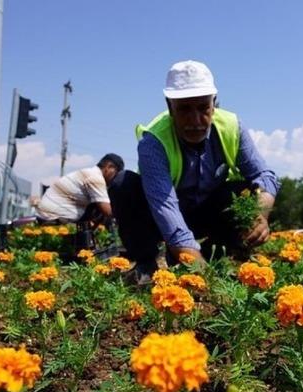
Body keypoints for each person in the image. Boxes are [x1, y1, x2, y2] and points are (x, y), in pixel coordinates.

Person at [111, 60, 279, 275]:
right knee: (122, 183)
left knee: (243, 193)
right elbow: (164, 204)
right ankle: (147, 265)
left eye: (203, 108)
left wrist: (261, 213)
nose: (195, 120)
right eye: (184, 110)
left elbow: (264, 176)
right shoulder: (153, 141)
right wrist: (186, 252)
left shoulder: (232, 127)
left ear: (214, 103)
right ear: (170, 107)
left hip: (206, 211)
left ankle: (217, 257)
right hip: (161, 216)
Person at [35, 153, 123, 225]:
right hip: (51, 218)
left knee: (98, 206)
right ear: (109, 167)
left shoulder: (89, 173)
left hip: (48, 214)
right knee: (102, 208)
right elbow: (108, 211)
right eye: (116, 173)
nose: (115, 178)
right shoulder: (95, 178)